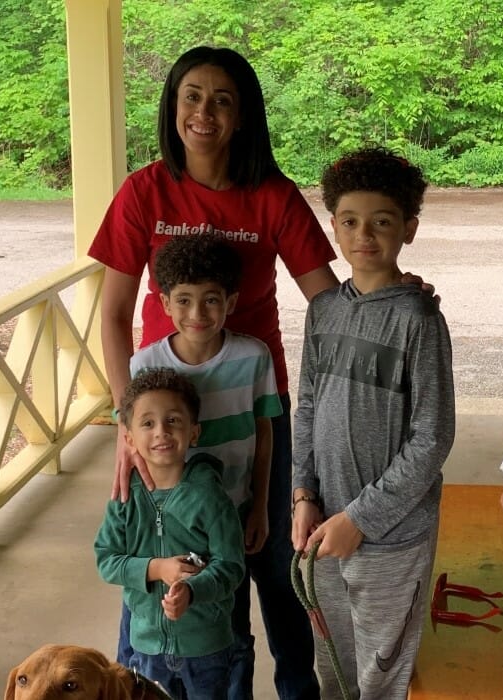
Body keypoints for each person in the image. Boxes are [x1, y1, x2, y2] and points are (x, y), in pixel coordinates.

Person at [88, 45, 332, 700]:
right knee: (158, 563)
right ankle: (139, 688)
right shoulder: (144, 191)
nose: (204, 111)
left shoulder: (272, 196)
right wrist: (126, 424)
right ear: (172, 107)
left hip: (253, 412)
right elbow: (111, 315)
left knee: (275, 567)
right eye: (192, 95)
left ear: (244, 116)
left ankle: (296, 689)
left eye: (223, 99)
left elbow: (331, 305)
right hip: (161, 425)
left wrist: (390, 297)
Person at [291, 147, 455, 699]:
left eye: (382, 222)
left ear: (408, 228)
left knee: (380, 675)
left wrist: (360, 518)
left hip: (391, 537)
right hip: (322, 527)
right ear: (333, 226)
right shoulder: (323, 310)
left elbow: (432, 438)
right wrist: (302, 493)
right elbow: (308, 404)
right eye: (350, 221)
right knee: (332, 662)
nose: (365, 235)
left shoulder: (419, 320)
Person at [128, 232, 283, 692]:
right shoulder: (146, 365)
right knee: (154, 622)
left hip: (231, 516)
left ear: (232, 301)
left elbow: (264, 432)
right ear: (165, 303)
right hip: (167, 524)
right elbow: (135, 446)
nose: (198, 314)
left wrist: (258, 508)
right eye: (185, 300)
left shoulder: (253, 356)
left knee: (229, 624)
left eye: (211, 300)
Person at [94, 367, 246, 700]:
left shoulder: (210, 497)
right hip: (146, 646)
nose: (161, 431)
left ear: (194, 432)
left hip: (206, 645)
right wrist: (156, 569)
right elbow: (106, 559)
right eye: (147, 423)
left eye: (173, 420)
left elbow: (231, 566)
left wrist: (192, 591)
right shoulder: (125, 497)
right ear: (129, 438)